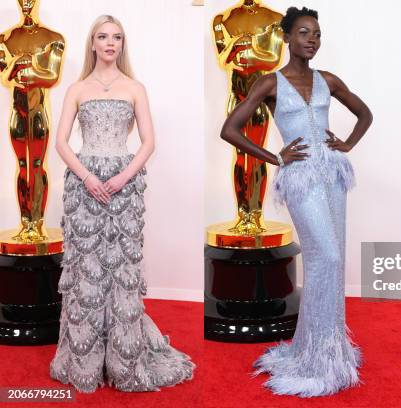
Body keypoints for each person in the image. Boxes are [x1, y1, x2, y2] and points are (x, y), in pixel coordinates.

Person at [220, 6, 373, 398]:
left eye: (317, 34)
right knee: (326, 255)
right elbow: (230, 129)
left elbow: (364, 114)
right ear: (286, 38)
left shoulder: (329, 80)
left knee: (334, 257)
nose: (312, 40)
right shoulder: (270, 83)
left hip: (332, 175)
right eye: (304, 33)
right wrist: (275, 157)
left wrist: (347, 145)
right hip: (301, 178)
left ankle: (329, 351)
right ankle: (313, 359)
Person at [49, 15, 194, 393]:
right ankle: (85, 362)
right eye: (103, 36)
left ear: (122, 43)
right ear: (92, 44)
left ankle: (123, 359)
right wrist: (87, 176)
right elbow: (61, 142)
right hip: (84, 186)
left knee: (121, 267)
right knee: (87, 270)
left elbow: (148, 142)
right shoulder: (77, 89)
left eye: (116, 37)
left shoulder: (135, 88)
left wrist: (122, 177)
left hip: (123, 186)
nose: (110, 43)